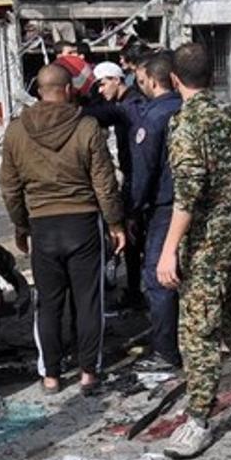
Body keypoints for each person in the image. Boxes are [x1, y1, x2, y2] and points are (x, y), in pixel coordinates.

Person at [156, 43, 231, 460]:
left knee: (199, 332)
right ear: (211, 76)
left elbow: (187, 196)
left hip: (204, 245)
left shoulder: (185, 124)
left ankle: (199, 421)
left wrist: (168, 250)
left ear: (174, 79)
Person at [0, 65, 126, 396]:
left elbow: (9, 187)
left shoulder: (16, 131)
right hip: (83, 223)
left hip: (42, 225)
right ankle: (88, 373)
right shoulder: (87, 127)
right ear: (69, 90)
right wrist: (115, 223)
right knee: (88, 301)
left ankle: (52, 376)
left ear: (39, 91)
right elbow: (105, 181)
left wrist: (21, 225)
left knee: (49, 302)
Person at [129, 52, 184, 370]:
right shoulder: (190, 110)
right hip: (198, 206)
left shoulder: (152, 118)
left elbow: (144, 172)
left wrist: (132, 211)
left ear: (151, 80)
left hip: (165, 208)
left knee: (159, 277)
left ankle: (166, 350)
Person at [84, 61, 146, 308]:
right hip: (133, 177)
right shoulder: (122, 104)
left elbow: (99, 114)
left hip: (137, 179)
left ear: (116, 80)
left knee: (135, 238)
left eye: (102, 84)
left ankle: (138, 292)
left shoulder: (130, 105)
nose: (100, 90)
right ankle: (134, 290)